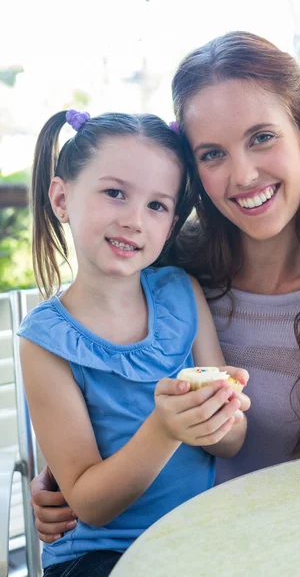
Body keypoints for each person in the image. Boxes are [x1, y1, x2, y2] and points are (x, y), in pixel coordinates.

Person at [31, 31, 300, 541]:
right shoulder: (172, 269)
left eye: (261, 137)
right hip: (197, 546)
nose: (243, 174)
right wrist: (59, 480)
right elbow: (103, 390)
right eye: (212, 154)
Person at [18, 109, 250, 576]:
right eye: (115, 193)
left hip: (197, 535)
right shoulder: (45, 341)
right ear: (62, 198)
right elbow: (88, 503)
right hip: (98, 556)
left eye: (157, 205)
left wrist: (220, 412)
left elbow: (231, 444)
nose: (134, 220)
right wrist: (165, 430)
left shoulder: (181, 293)